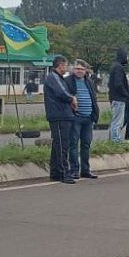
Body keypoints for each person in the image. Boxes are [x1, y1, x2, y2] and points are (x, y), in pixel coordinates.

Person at [44, 56, 78, 184]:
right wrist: (72, 99)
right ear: (60, 65)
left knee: (58, 145)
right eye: (65, 65)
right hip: (58, 115)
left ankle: (55, 172)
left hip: (64, 114)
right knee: (62, 145)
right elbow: (62, 93)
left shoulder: (60, 78)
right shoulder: (53, 77)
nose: (66, 68)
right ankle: (64, 173)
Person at [65, 59, 100, 181]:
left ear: (86, 71)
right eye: (77, 68)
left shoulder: (89, 82)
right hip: (76, 117)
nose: (79, 71)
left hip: (88, 117)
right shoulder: (68, 81)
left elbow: (93, 98)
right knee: (73, 144)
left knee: (86, 144)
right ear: (73, 69)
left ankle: (86, 170)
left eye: (82, 69)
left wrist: (95, 114)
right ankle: (74, 170)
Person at [107, 48, 129, 142]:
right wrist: (126, 94)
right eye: (127, 56)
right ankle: (115, 140)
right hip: (119, 98)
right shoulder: (118, 67)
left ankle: (113, 139)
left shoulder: (114, 66)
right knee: (117, 121)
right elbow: (118, 84)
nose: (127, 58)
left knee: (116, 120)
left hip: (114, 97)